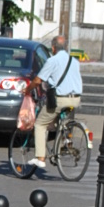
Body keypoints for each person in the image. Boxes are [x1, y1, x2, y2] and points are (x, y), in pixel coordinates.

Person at [30, 34, 82, 173]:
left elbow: (38, 80)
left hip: (60, 99)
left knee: (40, 124)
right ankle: (61, 146)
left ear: (53, 48)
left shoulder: (52, 60)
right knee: (60, 120)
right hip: (75, 99)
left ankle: (41, 158)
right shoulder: (74, 61)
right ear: (66, 47)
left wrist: (27, 89)